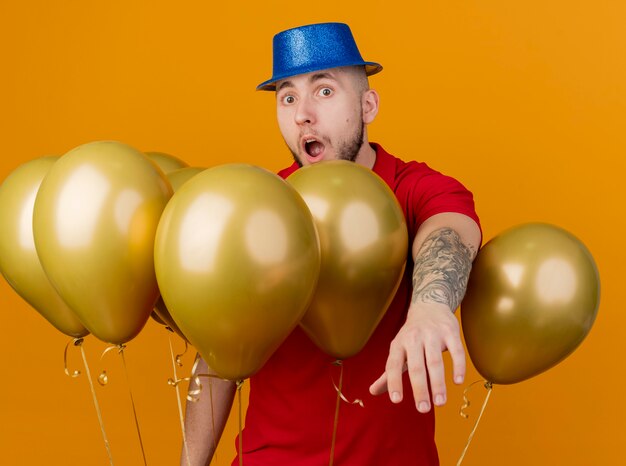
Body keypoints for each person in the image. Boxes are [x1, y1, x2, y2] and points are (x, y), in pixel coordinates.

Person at [183, 22, 481, 465]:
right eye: (288, 97)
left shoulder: (414, 187)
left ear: (368, 104)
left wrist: (431, 304)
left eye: (323, 91)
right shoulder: (259, 206)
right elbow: (218, 353)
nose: (302, 113)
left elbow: (451, 231)